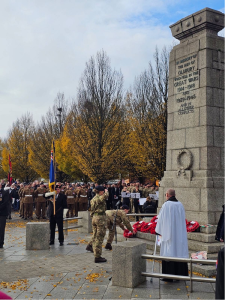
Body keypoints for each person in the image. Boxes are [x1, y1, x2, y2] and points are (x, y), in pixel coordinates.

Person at [155, 188, 189, 282]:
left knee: (169, 252)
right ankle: (180, 275)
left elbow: (161, 220)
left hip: (169, 235)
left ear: (167, 195)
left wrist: (158, 230)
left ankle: (169, 276)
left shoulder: (166, 205)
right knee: (178, 252)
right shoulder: (180, 205)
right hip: (179, 234)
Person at [88, 186, 109, 263]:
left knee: (95, 235)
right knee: (99, 237)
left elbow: (92, 210)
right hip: (100, 218)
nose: (103, 192)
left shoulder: (93, 199)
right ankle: (97, 256)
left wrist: (92, 217)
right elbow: (104, 197)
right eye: (103, 191)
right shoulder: (99, 198)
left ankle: (91, 247)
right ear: (100, 192)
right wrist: (107, 191)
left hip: (94, 217)